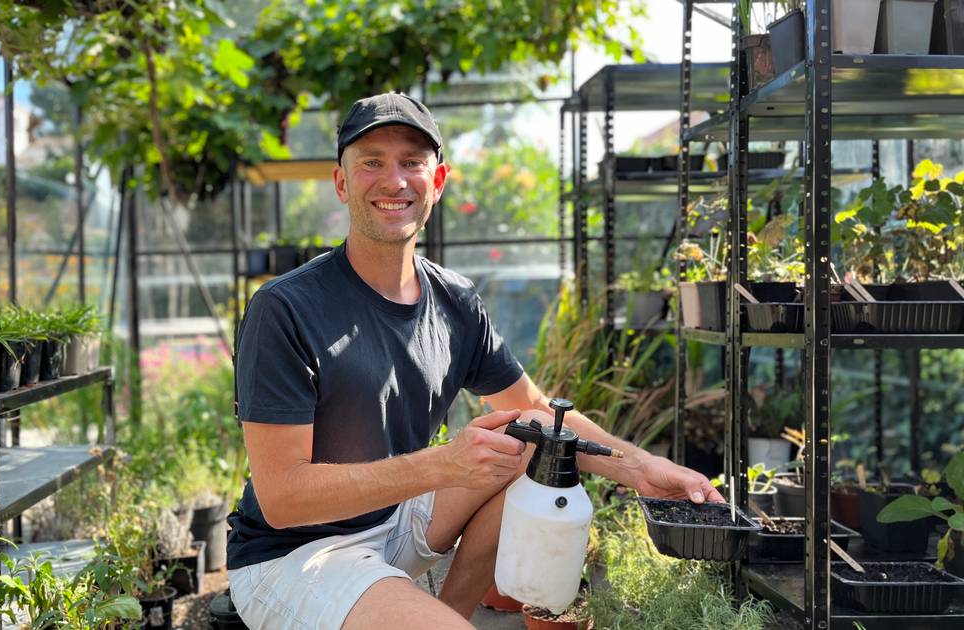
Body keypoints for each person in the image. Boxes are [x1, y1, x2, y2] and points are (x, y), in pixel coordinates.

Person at [226, 92, 722, 630]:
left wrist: (643, 469)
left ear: (436, 183)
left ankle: (448, 613)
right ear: (342, 182)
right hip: (298, 555)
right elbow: (283, 499)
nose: (394, 181)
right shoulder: (287, 308)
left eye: (412, 163)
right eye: (372, 162)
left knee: (529, 446)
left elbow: (533, 411)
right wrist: (443, 464)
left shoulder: (454, 301)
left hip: (395, 524)